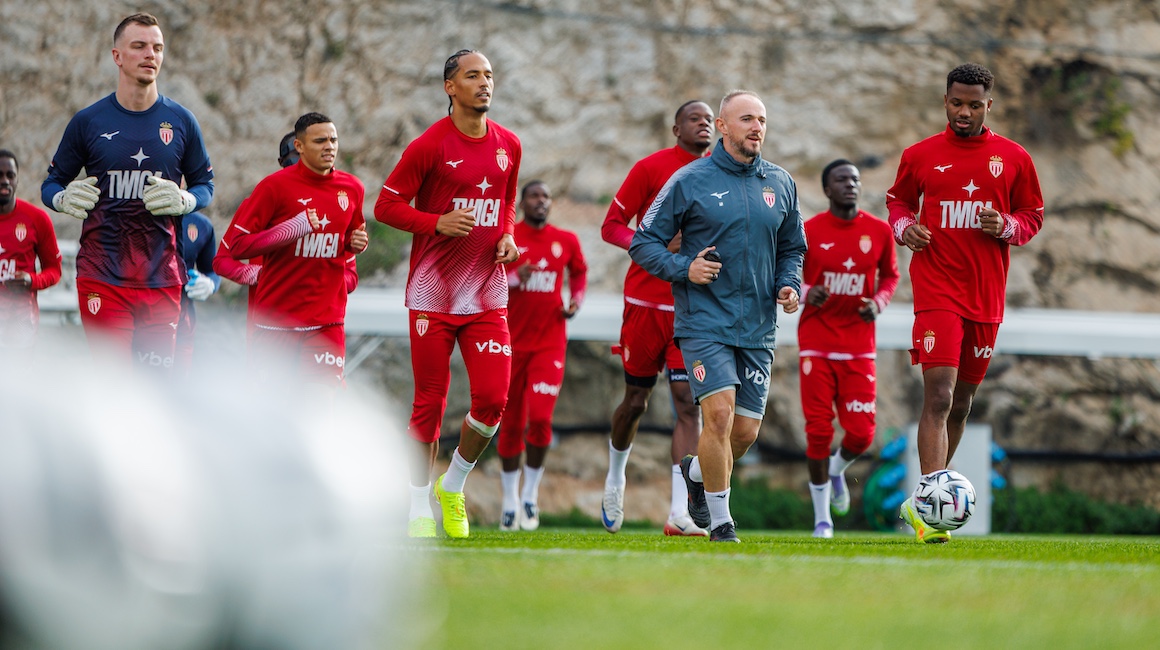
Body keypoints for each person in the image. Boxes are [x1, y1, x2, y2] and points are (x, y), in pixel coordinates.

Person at [630, 90, 805, 543]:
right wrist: (683, 268)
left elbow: (792, 248)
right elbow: (643, 241)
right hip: (704, 321)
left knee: (742, 434)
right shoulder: (689, 179)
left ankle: (694, 473)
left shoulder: (781, 183)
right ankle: (722, 522)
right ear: (723, 127)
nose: (756, 127)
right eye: (746, 118)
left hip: (759, 327)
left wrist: (789, 283)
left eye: (762, 119)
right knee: (719, 417)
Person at [887, 63, 1043, 543]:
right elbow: (896, 202)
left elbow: (1032, 215)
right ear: (946, 101)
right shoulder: (920, 155)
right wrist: (903, 229)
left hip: (985, 297)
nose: (964, 112)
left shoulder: (1013, 158)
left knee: (962, 403)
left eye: (974, 104)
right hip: (936, 292)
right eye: (957, 102)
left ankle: (922, 505)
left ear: (988, 105)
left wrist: (1008, 227)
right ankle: (934, 513)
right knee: (938, 394)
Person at [375, 49, 522, 539]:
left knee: (493, 399)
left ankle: (452, 484)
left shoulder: (509, 145)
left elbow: (506, 202)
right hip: (432, 293)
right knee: (429, 404)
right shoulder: (429, 146)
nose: (484, 83)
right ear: (450, 87)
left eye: (489, 76)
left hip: (486, 293)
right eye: (473, 75)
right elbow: (386, 206)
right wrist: (435, 222)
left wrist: (506, 234)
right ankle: (418, 504)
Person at [40, 13, 214, 370]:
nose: (151, 54)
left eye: (158, 48)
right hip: (102, 276)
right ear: (117, 56)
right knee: (116, 386)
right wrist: (61, 198)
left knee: (154, 391)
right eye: (140, 46)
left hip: (162, 278)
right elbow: (51, 183)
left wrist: (187, 199)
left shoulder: (181, 121)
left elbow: (205, 185)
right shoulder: (89, 122)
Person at [600, 100, 715, 537]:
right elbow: (611, 226)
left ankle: (680, 512)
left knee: (689, 406)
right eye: (694, 117)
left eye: (709, 118)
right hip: (645, 306)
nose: (702, 122)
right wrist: (653, 245)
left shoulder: (720, 175)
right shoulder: (650, 168)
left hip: (692, 308)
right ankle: (616, 477)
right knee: (635, 403)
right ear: (675, 128)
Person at [218, 112, 368, 387]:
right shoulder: (270, 192)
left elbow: (350, 272)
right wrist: (254, 273)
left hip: (326, 324)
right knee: (272, 414)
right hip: (272, 322)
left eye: (333, 140)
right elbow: (225, 258)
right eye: (319, 141)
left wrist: (350, 247)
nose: (329, 147)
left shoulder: (351, 189)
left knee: (322, 410)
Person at [798, 159, 899, 538]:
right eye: (841, 179)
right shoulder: (808, 231)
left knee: (861, 435)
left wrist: (879, 302)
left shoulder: (878, 231)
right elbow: (784, 276)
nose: (850, 185)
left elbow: (890, 275)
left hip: (859, 346)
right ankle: (822, 519)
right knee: (819, 432)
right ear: (827, 189)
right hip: (817, 344)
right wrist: (808, 292)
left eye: (854, 179)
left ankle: (838, 470)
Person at [497, 180, 588, 532]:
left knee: (540, 419)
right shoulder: (509, 239)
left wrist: (576, 301)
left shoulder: (565, 240)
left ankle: (530, 497)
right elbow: (486, 279)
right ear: (522, 202)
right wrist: (515, 277)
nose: (541, 201)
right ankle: (508, 500)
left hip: (549, 343)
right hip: (509, 342)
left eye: (546, 196)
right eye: (534, 195)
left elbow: (579, 272)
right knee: (510, 423)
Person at [0, 149, 63, 361]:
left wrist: (31, 280)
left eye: (10, 175)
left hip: (20, 322)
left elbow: (54, 270)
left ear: (17, 179)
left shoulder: (36, 219)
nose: (5, 181)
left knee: (17, 383)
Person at [174, 211, 220, 371]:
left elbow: (211, 270)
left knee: (176, 385)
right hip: (135, 316)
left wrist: (210, 284)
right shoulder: (129, 213)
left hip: (182, 321)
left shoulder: (200, 224)